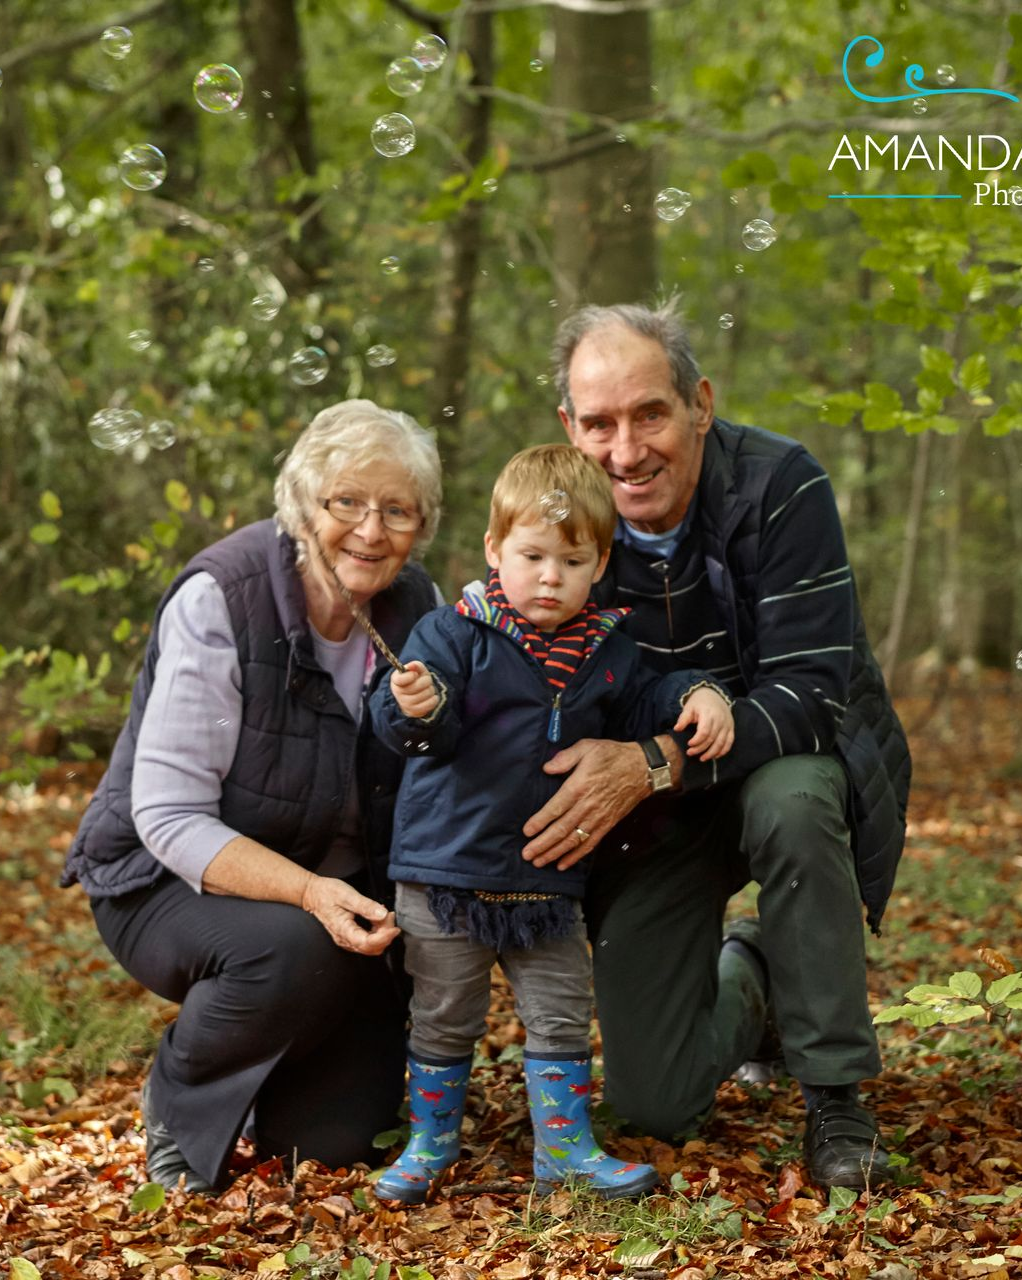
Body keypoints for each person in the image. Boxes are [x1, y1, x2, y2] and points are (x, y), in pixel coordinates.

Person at [516, 302, 911, 1192]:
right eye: (600, 424)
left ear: (699, 401)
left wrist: (655, 758)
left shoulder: (781, 484)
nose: (626, 451)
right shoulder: (554, 527)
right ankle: (759, 972)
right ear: (568, 427)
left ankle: (836, 1094)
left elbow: (814, 694)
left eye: (649, 413)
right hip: (655, 819)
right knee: (654, 1103)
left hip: (776, 765)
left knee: (797, 799)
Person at [60, 399, 443, 1193]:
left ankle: (275, 1078)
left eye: (397, 510)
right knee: (290, 945)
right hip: (163, 880)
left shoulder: (419, 609)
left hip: (323, 886)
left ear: (422, 525)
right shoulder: (224, 598)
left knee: (339, 1147)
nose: (371, 531)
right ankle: (180, 1102)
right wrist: (310, 893)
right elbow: (165, 816)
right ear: (303, 504)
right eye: (347, 503)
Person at [366, 444, 735, 1205]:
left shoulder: (608, 650)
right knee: (443, 1016)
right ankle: (430, 1142)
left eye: (570, 561)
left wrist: (698, 693)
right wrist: (416, 705)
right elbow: (412, 730)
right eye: (531, 556)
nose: (548, 577)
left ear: (599, 564)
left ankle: (563, 1149)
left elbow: (645, 706)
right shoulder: (453, 635)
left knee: (560, 1014)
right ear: (495, 550)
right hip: (446, 875)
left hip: (546, 882)